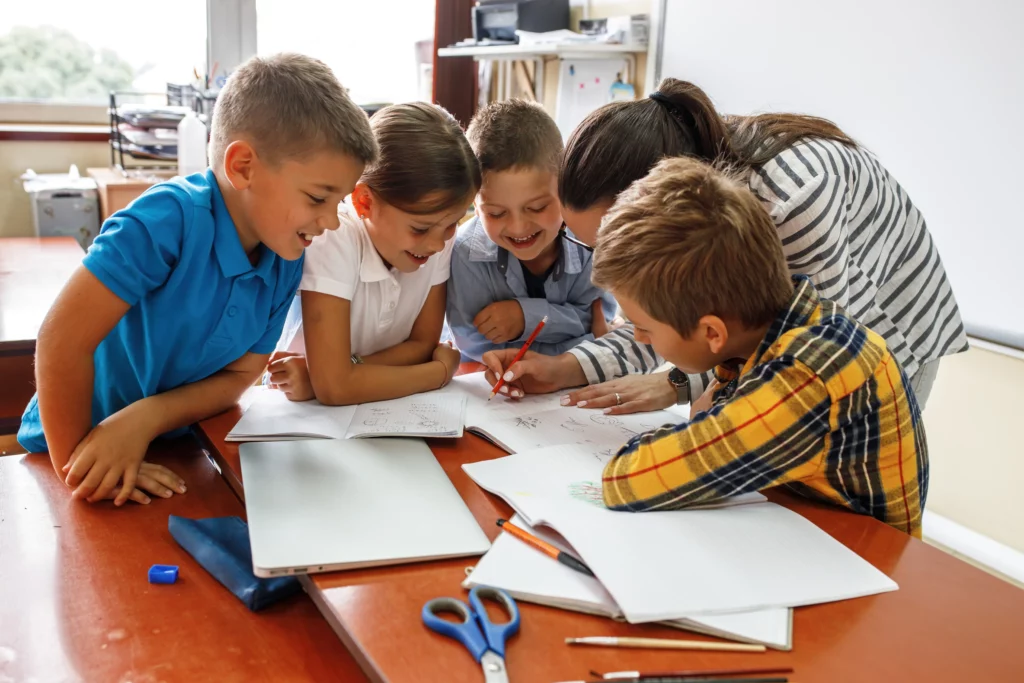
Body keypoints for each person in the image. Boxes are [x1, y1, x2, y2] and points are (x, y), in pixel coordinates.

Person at [482, 78, 967, 413]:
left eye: (612, 237)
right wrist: (566, 368)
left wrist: (680, 384)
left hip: (890, 324)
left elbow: (819, 356)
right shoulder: (682, 177)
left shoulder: (792, 203)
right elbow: (651, 325)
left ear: (660, 201)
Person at [18, 53, 377, 505]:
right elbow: (61, 341)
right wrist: (80, 463)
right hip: (70, 448)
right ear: (243, 166)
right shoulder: (168, 220)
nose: (331, 222)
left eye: (338, 201)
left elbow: (240, 376)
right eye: (318, 198)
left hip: (176, 448)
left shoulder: (287, 255)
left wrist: (144, 419)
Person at [592, 156, 928, 536]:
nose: (638, 338)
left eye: (643, 328)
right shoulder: (784, 331)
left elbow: (630, 479)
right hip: (797, 526)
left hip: (864, 562)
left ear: (712, 333)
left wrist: (700, 429)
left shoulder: (810, 371)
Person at [267, 102, 479, 404]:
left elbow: (421, 344)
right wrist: (440, 372)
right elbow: (336, 389)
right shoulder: (334, 236)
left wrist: (332, 376)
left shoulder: (435, 238)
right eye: (420, 229)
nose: (437, 244)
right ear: (364, 202)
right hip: (292, 411)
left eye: (452, 225)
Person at [446, 99, 615, 364]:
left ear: (564, 186)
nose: (518, 227)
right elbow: (474, 344)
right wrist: (571, 339)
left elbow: (600, 321)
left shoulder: (590, 240)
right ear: (475, 206)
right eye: (496, 213)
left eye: (537, 207)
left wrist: (528, 317)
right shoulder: (466, 252)